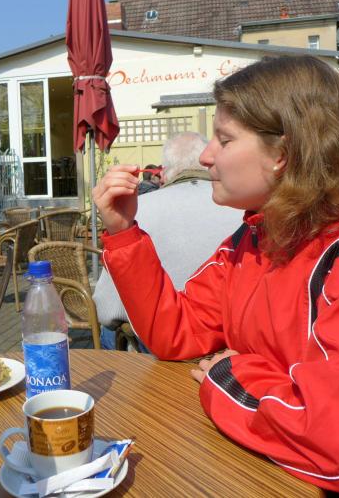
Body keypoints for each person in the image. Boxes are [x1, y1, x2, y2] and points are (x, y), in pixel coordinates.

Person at [93, 56, 339, 495]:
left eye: (224, 140)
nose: (206, 156)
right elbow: (177, 333)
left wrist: (229, 374)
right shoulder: (257, 236)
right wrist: (124, 232)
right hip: (270, 470)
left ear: (283, 155)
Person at [93, 132, 242, 351]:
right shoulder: (245, 218)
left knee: (109, 332)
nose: (209, 156)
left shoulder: (137, 209)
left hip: (158, 354)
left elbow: (107, 309)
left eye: (225, 141)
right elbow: (181, 326)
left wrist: (122, 232)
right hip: (227, 347)